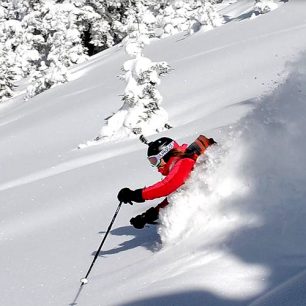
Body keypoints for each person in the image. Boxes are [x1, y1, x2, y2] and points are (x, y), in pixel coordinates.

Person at [117, 135, 216, 229]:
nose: (156, 167)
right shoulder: (185, 164)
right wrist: (148, 216)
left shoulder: (185, 161)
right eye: (152, 162)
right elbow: (176, 196)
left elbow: (166, 187)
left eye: (155, 161)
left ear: (165, 154)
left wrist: (135, 195)